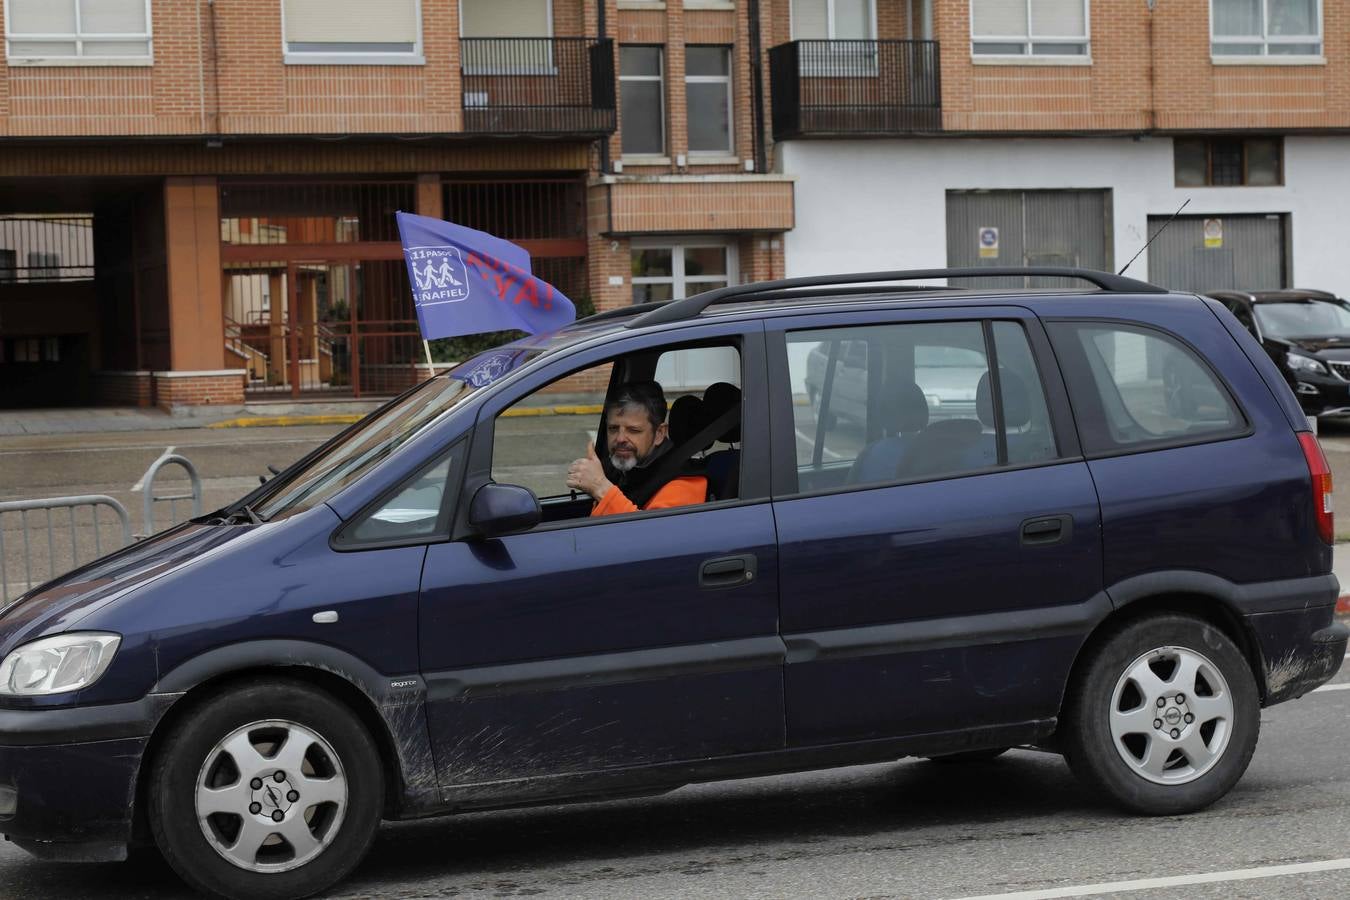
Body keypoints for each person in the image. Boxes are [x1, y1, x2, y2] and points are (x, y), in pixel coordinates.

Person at [565, 380, 707, 516]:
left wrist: (600, 487)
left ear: (659, 433)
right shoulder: (618, 468)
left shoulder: (684, 483)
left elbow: (653, 531)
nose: (620, 438)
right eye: (613, 428)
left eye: (633, 430)